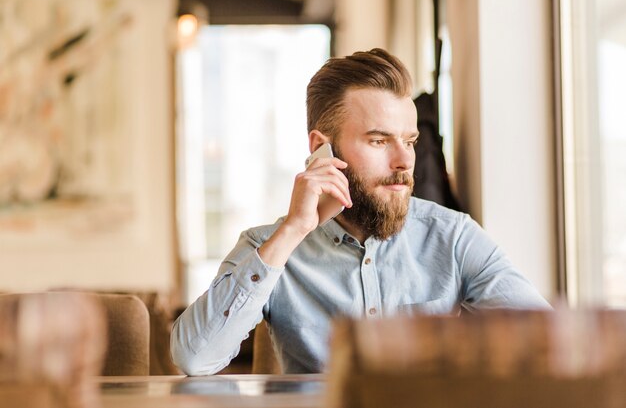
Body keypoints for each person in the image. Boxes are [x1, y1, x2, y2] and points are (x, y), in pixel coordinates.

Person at [170, 48, 550, 376]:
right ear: (323, 148)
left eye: (410, 141)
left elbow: (548, 343)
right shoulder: (269, 246)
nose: (404, 161)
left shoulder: (452, 236)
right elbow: (193, 357)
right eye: (379, 140)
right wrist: (292, 232)